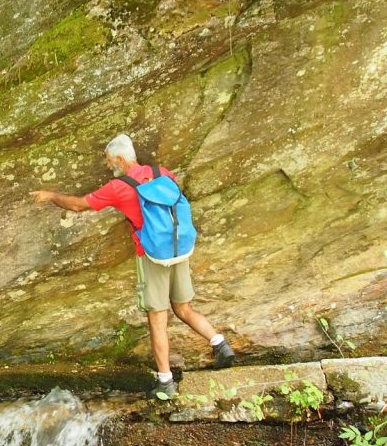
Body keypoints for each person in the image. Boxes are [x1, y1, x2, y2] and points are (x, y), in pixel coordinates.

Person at [30, 134, 235, 400]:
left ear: (119, 159)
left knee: (157, 318)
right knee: (184, 308)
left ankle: (165, 383)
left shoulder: (119, 186)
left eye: (108, 161)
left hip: (151, 255)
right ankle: (220, 343)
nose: (107, 166)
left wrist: (51, 196)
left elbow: (79, 205)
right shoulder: (163, 172)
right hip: (178, 249)